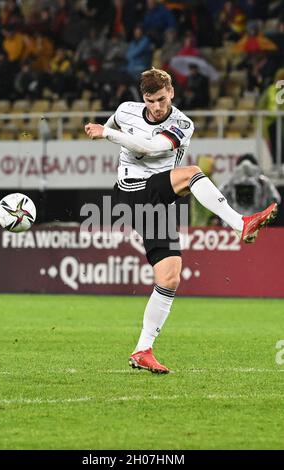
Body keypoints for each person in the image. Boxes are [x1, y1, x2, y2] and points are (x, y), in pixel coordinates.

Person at [85, 68, 277, 374]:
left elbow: (148, 148)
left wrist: (106, 133)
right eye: (150, 101)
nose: (156, 107)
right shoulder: (125, 111)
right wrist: (103, 131)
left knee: (170, 276)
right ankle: (242, 224)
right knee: (191, 173)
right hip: (131, 191)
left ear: (171, 92)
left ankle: (142, 350)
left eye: (161, 99)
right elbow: (107, 127)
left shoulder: (182, 123)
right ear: (142, 98)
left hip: (156, 204)